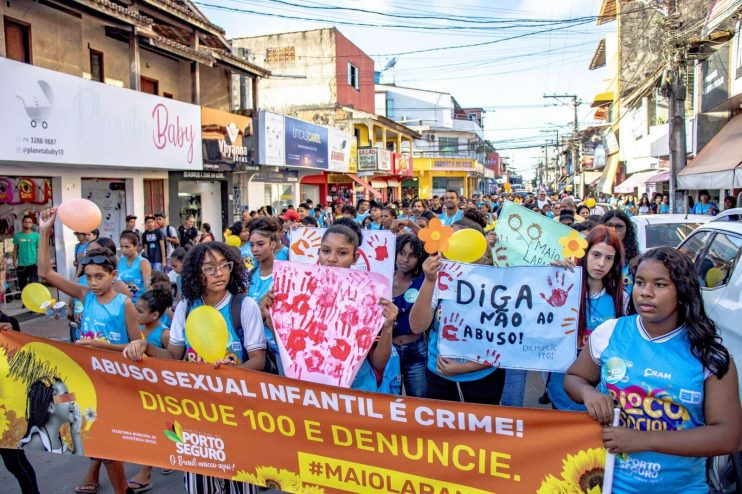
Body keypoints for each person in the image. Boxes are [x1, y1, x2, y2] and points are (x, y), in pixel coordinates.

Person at [564, 247, 741, 492]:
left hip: (682, 488)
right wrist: (589, 393)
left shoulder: (708, 356)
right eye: (639, 282)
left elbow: (729, 437)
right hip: (609, 484)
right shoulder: (610, 333)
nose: (645, 293)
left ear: (682, 291)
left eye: (659, 285)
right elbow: (575, 378)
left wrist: (643, 440)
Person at [124, 242, 267, 494]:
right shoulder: (186, 307)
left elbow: (258, 359)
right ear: (194, 272)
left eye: (225, 265)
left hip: (237, 415)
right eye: (209, 268)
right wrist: (145, 348)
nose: (219, 273)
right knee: (200, 484)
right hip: (195, 415)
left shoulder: (244, 307)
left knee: (240, 484)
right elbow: (173, 356)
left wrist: (234, 371)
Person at [37, 209, 137, 494]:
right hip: (88, 381)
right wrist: (45, 230)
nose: (92, 283)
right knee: (100, 444)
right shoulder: (84, 295)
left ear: (113, 275)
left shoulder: (124, 303)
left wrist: (103, 346)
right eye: (89, 277)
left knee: (107, 445)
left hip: (118, 383)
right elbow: (45, 273)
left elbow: (138, 346)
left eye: (99, 277)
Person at [259, 221, 400, 393]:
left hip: (357, 391)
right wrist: (271, 316)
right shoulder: (299, 290)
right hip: (312, 391)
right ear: (318, 253)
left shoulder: (370, 295)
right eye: (326, 251)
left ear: (355, 257)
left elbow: (379, 363)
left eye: (342, 253)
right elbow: (290, 348)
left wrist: (387, 327)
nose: (332, 258)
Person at [409, 221, 506, 405]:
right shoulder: (438, 279)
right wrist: (429, 281)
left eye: (459, 240)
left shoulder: (497, 283)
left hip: (483, 379)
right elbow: (417, 326)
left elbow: (507, 339)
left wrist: (467, 367)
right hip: (438, 377)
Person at [547, 225, 626, 410]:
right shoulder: (562, 289)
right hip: (562, 395)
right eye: (596, 255)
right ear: (584, 253)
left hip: (602, 401)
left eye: (609, 258)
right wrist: (551, 276)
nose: (601, 264)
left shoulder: (621, 298)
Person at [126, 286, 172, 492]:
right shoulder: (136, 331)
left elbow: (174, 363)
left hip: (161, 392)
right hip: (140, 389)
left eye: (140, 311)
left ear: (154, 314)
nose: (136, 314)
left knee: (159, 427)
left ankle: (146, 472)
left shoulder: (164, 335)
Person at [392, 234, 428, 398]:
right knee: (391, 398)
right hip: (388, 351)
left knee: (419, 399)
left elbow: (437, 250)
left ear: (420, 258)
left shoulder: (424, 281)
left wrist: (410, 223)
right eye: (401, 253)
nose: (405, 259)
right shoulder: (382, 280)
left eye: (412, 255)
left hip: (416, 350)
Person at [20, 377, 83, 455]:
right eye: (66, 397)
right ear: (51, 407)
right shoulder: (38, 441)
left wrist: (75, 432)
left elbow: (75, 464)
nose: (72, 401)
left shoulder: (57, 440)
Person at [602, 210, 640, 294]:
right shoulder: (593, 257)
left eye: (619, 226)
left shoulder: (635, 261)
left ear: (627, 230)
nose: (614, 230)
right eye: (609, 225)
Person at [118, 231, 151, 303]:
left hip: (138, 304)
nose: (123, 250)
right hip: (122, 304)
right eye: (121, 247)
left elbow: (148, 288)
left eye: (127, 247)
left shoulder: (143, 263)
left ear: (136, 246)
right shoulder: (119, 261)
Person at [13, 214, 40, 290]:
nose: (27, 223)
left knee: (34, 287)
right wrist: (14, 262)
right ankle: (25, 302)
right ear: (22, 223)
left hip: (33, 264)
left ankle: (34, 302)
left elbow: (40, 250)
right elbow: (15, 250)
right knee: (23, 287)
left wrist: (39, 261)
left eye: (29, 222)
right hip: (21, 265)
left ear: (32, 224)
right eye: (25, 222)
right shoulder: (17, 236)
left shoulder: (36, 235)